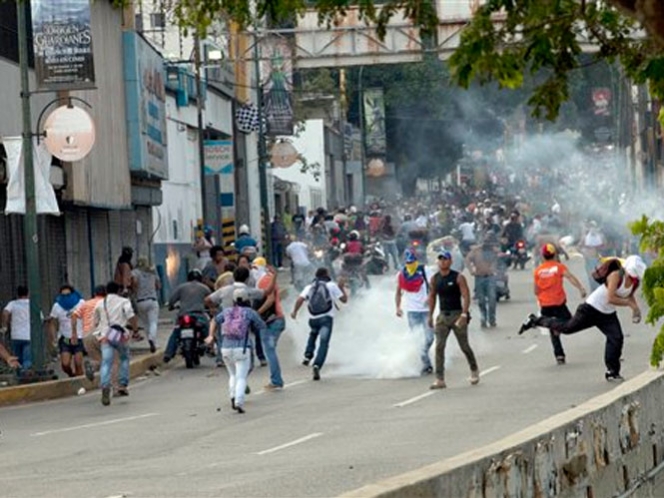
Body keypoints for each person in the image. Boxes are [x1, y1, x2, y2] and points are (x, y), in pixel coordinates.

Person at [519, 255, 646, 381]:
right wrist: (630, 305)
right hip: (591, 308)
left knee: (616, 338)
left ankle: (612, 371)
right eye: (631, 274)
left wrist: (635, 309)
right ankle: (536, 320)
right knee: (567, 328)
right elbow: (611, 298)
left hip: (607, 313)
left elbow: (629, 295)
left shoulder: (635, 282)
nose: (632, 277)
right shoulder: (616, 275)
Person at [522, 244, 587, 365]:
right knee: (569, 322)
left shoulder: (538, 270)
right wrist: (581, 288)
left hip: (545, 305)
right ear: (555, 255)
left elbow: (536, 291)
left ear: (543, 256)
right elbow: (570, 277)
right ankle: (539, 322)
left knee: (553, 328)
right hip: (558, 303)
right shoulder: (559, 267)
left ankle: (559, 355)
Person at [205, 288, 266, 414]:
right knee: (241, 377)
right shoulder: (249, 312)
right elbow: (261, 325)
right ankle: (239, 401)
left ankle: (232, 396)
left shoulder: (226, 311)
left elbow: (214, 321)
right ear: (246, 299)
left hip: (225, 348)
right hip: (242, 349)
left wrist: (211, 335)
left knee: (232, 375)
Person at [428, 251, 480, 389]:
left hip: (457, 314)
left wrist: (464, 314)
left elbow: (466, 296)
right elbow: (432, 297)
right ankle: (440, 379)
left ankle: (474, 370)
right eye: (440, 260)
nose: (443, 262)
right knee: (439, 347)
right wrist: (430, 315)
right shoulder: (435, 279)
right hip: (442, 316)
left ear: (450, 262)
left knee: (464, 346)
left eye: (445, 259)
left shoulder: (458, 277)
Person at [291, 267, 348, 381]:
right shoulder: (331, 285)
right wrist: (341, 287)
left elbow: (300, 300)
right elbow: (344, 300)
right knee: (323, 343)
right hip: (326, 318)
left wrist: (294, 312)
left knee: (313, 334)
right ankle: (317, 365)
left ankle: (307, 356)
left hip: (313, 318)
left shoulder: (309, 286)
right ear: (326, 274)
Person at [93, 282, 139, 406]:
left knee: (106, 362)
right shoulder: (124, 301)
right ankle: (122, 384)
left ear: (107, 291)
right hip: (120, 335)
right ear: (119, 290)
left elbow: (95, 322)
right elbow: (131, 315)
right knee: (124, 358)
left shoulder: (100, 303)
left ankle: (105, 385)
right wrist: (135, 329)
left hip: (106, 336)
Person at [395, 250, 434, 375]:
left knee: (429, 338)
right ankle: (426, 364)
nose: (410, 264)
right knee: (417, 339)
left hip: (426, 311)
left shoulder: (425, 271)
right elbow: (398, 292)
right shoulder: (401, 275)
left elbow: (433, 287)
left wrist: (430, 297)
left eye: (412, 262)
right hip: (412, 312)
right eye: (407, 262)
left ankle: (425, 354)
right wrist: (398, 307)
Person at [163, 269, 211, 363]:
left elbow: (172, 300)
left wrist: (171, 307)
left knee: (176, 333)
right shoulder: (204, 287)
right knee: (208, 330)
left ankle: (168, 354)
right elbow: (211, 300)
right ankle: (210, 348)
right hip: (199, 315)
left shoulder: (181, 287)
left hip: (183, 315)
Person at [255, 259, 287, 390]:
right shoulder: (268, 278)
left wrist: (256, 313)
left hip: (271, 321)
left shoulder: (265, 280)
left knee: (270, 351)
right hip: (274, 320)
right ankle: (275, 380)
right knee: (270, 351)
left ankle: (276, 381)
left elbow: (270, 299)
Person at [72, 285, 108, 381]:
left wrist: (74, 333)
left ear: (95, 294)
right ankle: (107, 385)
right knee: (110, 359)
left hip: (87, 336)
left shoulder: (85, 304)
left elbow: (74, 316)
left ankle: (92, 365)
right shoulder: (106, 303)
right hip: (102, 334)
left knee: (98, 359)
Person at [48, 284, 85, 377]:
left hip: (78, 337)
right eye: (63, 296)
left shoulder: (81, 303)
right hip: (65, 338)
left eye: (68, 295)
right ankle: (71, 375)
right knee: (65, 364)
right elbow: (52, 322)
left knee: (78, 363)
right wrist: (54, 338)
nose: (66, 298)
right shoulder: (57, 306)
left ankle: (79, 383)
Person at [465, 234, 500, 328]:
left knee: (492, 299)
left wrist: (495, 267)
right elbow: (468, 259)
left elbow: (500, 257)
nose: (487, 244)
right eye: (485, 241)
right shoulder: (476, 251)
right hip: (479, 277)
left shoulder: (494, 251)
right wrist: (471, 270)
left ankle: (492, 319)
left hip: (490, 277)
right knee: (481, 301)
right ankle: (483, 319)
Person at [131, 257, 161, 353]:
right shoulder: (153, 271)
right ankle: (152, 339)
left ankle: (151, 341)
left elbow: (134, 283)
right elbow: (158, 286)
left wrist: (135, 292)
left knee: (145, 324)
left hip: (140, 301)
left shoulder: (135, 272)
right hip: (152, 300)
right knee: (153, 322)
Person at [1, 286, 33, 371]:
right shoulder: (32, 304)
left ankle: (19, 374)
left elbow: (5, 312)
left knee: (17, 358)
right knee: (27, 359)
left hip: (16, 335)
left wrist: (5, 325)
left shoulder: (12, 303)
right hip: (28, 335)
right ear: (28, 293)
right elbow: (40, 318)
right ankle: (25, 373)